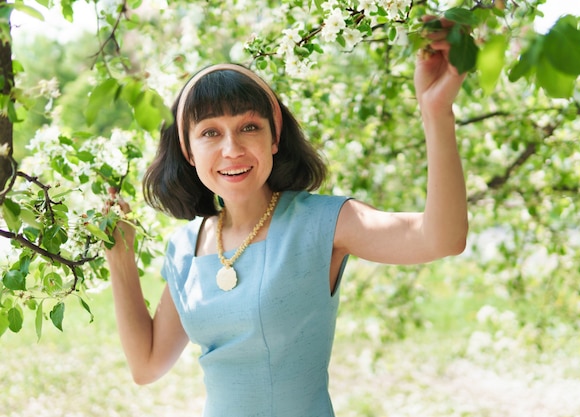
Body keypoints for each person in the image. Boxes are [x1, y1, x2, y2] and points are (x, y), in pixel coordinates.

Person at [104, 17, 468, 417]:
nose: (232, 149)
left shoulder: (323, 222)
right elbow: (147, 365)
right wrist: (120, 256)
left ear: (274, 136)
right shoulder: (184, 247)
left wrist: (436, 111)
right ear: (189, 151)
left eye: (248, 127)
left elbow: (441, 238)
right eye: (210, 133)